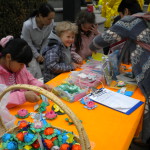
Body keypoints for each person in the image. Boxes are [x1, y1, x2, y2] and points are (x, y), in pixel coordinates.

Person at [89, 0, 150, 145]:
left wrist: (92, 45)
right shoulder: (145, 19)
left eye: (120, 14)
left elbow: (103, 39)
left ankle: (144, 137)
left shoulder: (130, 21)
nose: (120, 18)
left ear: (126, 11)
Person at [0, 36, 51, 108]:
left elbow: (30, 79)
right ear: (8, 57)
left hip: (21, 108)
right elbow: (1, 99)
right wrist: (24, 96)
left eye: (24, 64)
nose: (22, 67)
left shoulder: (20, 67)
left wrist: (39, 87)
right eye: (21, 64)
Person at [21, 2, 55, 79]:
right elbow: (27, 42)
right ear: (40, 15)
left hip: (41, 48)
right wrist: (36, 55)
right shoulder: (27, 25)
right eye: (49, 19)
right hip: (27, 49)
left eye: (52, 19)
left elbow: (47, 39)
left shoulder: (50, 23)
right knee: (35, 70)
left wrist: (42, 53)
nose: (51, 21)